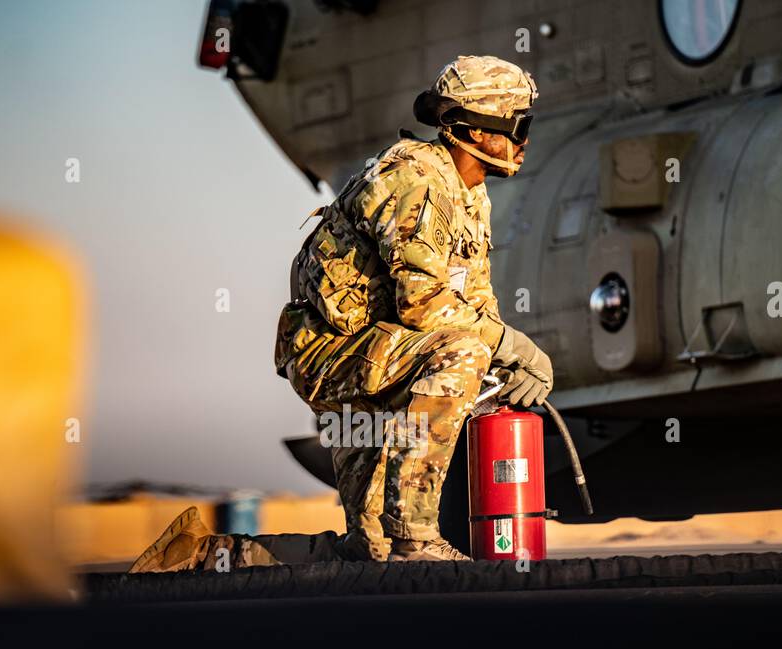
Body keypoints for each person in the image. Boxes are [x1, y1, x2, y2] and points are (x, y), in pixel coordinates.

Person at [131, 55, 554, 573]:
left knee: (368, 550)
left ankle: (203, 558)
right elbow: (425, 308)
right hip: (333, 355)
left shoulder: (468, 194)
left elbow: (474, 304)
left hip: (374, 357)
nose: (524, 139)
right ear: (475, 129)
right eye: (518, 125)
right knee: (463, 351)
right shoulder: (414, 180)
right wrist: (509, 346)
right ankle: (416, 535)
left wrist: (505, 359)